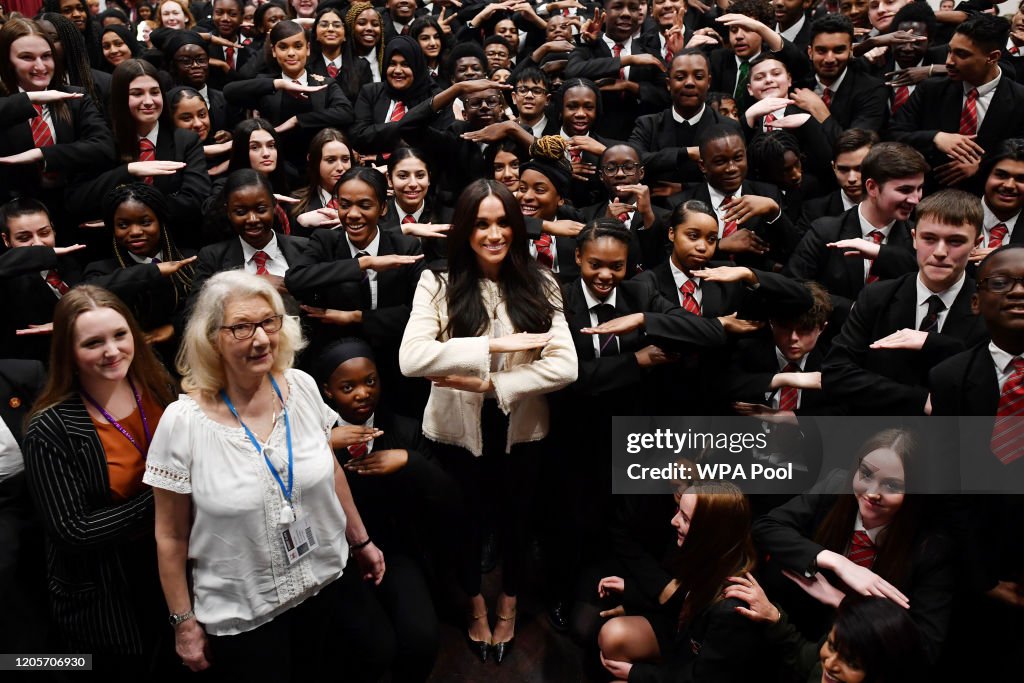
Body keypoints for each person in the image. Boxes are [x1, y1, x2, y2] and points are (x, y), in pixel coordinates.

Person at [145, 270, 389, 679]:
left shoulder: (300, 386)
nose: (260, 339)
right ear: (211, 337)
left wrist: (360, 539)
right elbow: (170, 535)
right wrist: (183, 622)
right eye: (241, 327)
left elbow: (329, 470)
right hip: (247, 608)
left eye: (268, 322)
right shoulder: (182, 422)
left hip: (326, 577)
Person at [398, 179, 577, 664]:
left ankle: (509, 604)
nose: (494, 233)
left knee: (519, 525)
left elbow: (566, 365)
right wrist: (494, 349)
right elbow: (412, 359)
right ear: (465, 229)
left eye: (503, 223)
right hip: (456, 433)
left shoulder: (541, 281)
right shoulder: (436, 282)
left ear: (517, 228)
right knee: (463, 525)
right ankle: (475, 605)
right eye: (482, 223)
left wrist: (495, 385)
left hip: (522, 431)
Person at [23, 285, 176, 672]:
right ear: (69, 354)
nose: (112, 351)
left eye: (120, 335)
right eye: (93, 343)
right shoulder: (50, 428)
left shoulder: (160, 386)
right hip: (111, 590)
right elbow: (73, 530)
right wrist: (168, 491)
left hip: (181, 563)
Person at [315, 337, 459, 681]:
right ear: (328, 392)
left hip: (396, 551)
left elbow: (450, 497)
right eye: (347, 387)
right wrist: (322, 444)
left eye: (370, 381)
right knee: (367, 649)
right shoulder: (310, 439)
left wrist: (409, 462)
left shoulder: (406, 430)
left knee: (421, 639)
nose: (362, 393)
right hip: (335, 558)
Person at [753, 427, 955, 665]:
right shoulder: (837, 486)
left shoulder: (931, 549)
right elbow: (765, 526)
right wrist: (837, 561)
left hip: (858, 664)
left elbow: (924, 648)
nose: (872, 493)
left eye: (891, 486)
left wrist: (842, 602)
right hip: (789, 639)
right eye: (866, 474)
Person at [823, 189, 988, 415]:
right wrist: (919, 400)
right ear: (914, 238)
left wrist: (933, 342)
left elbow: (988, 380)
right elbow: (836, 374)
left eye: (955, 241)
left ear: (976, 245)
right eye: (929, 238)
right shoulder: (878, 296)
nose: (940, 252)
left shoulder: (989, 306)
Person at [597, 482, 766, 681]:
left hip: (696, 665)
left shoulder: (732, 608)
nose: (673, 521)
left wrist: (636, 674)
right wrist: (631, 593)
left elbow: (702, 677)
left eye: (685, 518)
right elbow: (681, 598)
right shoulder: (709, 552)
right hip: (682, 638)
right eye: (678, 511)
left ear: (708, 531)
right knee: (611, 636)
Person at [65, 58, 211, 246]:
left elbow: (195, 200)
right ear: (120, 97)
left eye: (155, 92)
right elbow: (76, 199)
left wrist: (123, 217)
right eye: (137, 93)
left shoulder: (185, 140)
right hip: (111, 248)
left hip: (174, 242)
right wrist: (127, 171)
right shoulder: (101, 141)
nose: (148, 101)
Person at [785, 142, 924, 324]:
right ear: (872, 187)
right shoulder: (825, 231)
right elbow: (793, 285)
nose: (915, 199)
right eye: (904, 190)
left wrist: (881, 253)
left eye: (919, 188)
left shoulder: (918, 238)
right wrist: (854, 310)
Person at [890, 14, 1024, 189]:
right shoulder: (930, 90)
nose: (948, 62)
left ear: (992, 57)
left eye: (961, 54)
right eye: (949, 50)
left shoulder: (1020, 99)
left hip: (988, 199)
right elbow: (894, 133)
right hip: (930, 194)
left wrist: (983, 165)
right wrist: (936, 137)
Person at [0, 17, 114, 219]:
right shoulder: (6, 105)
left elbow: (104, 147)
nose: (40, 66)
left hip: (71, 214)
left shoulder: (75, 97)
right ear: (7, 62)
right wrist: (29, 99)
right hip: (15, 220)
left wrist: (45, 155)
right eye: (27, 57)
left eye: (46, 56)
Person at [224, 20, 355, 178]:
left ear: (308, 49)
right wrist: (279, 84)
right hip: (279, 170)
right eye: (283, 47)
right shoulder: (267, 84)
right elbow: (229, 92)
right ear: (274, 51)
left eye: (298, 46)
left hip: (319, 170)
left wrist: (298, 120)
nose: (291, 53)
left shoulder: (324, 83)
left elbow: (346, 113)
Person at [724, 581, 927, 683]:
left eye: (852, 663)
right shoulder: (826, 665)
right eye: (831, 645)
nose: (830, 663)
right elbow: (803, 658)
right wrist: (773, 616)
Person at [83, 184, 198, 360]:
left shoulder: (190, 260)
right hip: (135, 361)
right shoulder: (101, 271)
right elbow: (84, 292)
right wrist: (153, 270)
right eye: (123, 225)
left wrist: (175, 327)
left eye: (145, 222)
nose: (135, 232)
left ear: (160, 222)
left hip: (190, 354)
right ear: (113, 229)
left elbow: (206, 307)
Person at [628, 49, 742, 188]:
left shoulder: (728, 127)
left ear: (709, 82)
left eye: (699, 77)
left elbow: (735, 177)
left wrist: (684, 188)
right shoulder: (647, 124)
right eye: (680, 77)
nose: (689, 83)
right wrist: (685, 153)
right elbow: (633, 163)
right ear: (668, 84)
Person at [349, 35, 440, 156]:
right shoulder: (370, 92)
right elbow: (358, 137)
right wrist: (408, 127)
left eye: (405, 64)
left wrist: (380, 140)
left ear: (416, 66)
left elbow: (438, 142)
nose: (397, 70)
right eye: (392, 64)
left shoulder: (434, 97)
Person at [801, 128, 878, 225]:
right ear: (834, 167)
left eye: (860, 169)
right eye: (843, 169)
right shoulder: (814, 211)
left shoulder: (892, 208)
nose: (852, 179)